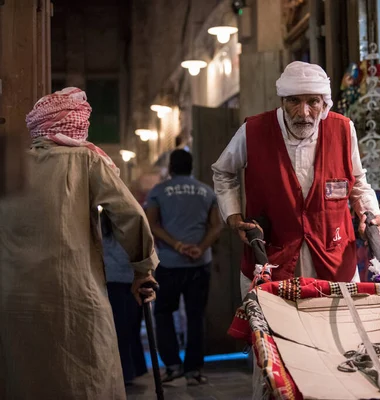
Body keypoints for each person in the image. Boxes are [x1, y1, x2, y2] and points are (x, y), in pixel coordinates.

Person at [0, 87, 158, 400]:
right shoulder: (86, 159)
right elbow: (129, 215)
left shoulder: (8, 167)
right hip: (74, 295)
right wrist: (143, 269)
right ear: (77, 126)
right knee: (86, 377)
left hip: (13, 298)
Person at [212, 61, 380, 294]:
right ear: (282, 101)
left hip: (334, 260)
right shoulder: (254, 131)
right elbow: (223, 171)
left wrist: (368, 212)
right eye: (294, 101)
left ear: (324, 104)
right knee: (274, 329)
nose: (303, 113)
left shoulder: (343, 129)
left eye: (312, 102)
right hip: (272, 261)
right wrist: (233, 216)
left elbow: (358, 183)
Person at [145, 149, 222, 385]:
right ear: (191, 166)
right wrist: (199, 248)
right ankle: (193, 371)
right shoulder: (206, 191)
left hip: (169, 263)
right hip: (200, 263)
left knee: (163, 313)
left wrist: (177, 245)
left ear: (171, 167)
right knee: (195, 315)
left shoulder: (159, 191)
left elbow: (152, 224)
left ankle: (172, 366)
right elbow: (216, 226)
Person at [101, 211, 148, 386]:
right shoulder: (131, 231)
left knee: (121, 329)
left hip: (113, 281)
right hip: (131, 280)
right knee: (130, 328)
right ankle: (132, 369)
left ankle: (127, 371)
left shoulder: (101, 230)